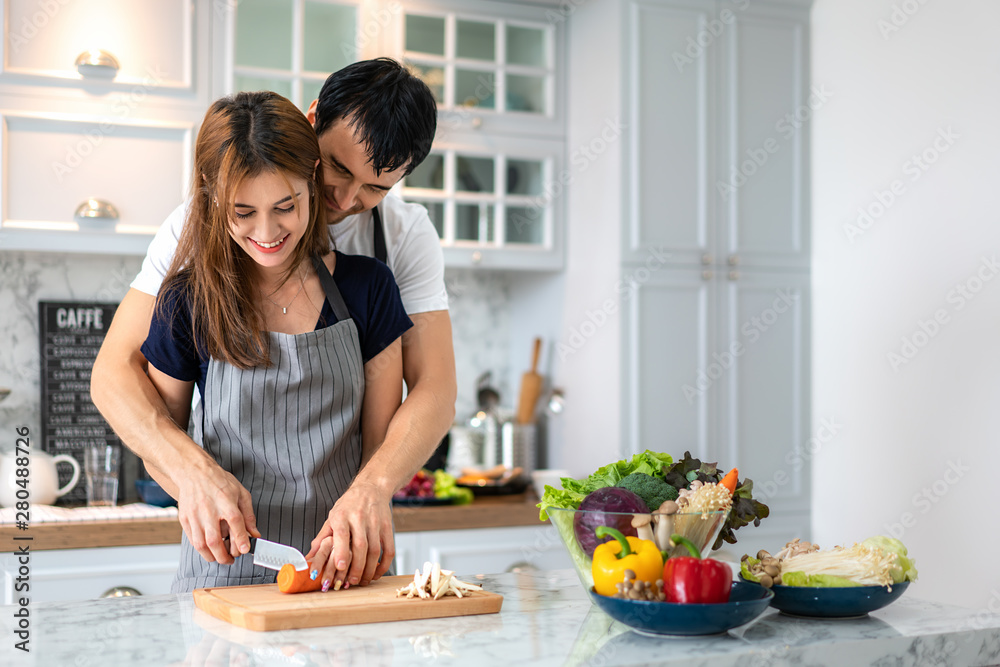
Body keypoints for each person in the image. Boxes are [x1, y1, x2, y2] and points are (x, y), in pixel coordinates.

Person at [91, 58, 456, 591]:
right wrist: (190, 473)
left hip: (341, 560)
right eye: (337, 168)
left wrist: (373, 488)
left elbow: (435, 390)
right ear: (311, 122)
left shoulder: (395, 250)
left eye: (375, 188)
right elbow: (114, 374)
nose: (346, 200)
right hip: (224, 565)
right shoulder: (196, 240)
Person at [142, 90, 413, 592]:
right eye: (242, 212)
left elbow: (380, 447)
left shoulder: (368, 288)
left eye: (285, 206)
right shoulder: (187, 301)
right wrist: (193, 489)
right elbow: (159, 439)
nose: (267, 232)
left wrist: (368, 505)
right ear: (213, 197)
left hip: (345, 570)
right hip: (223, 573)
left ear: (311, 181)